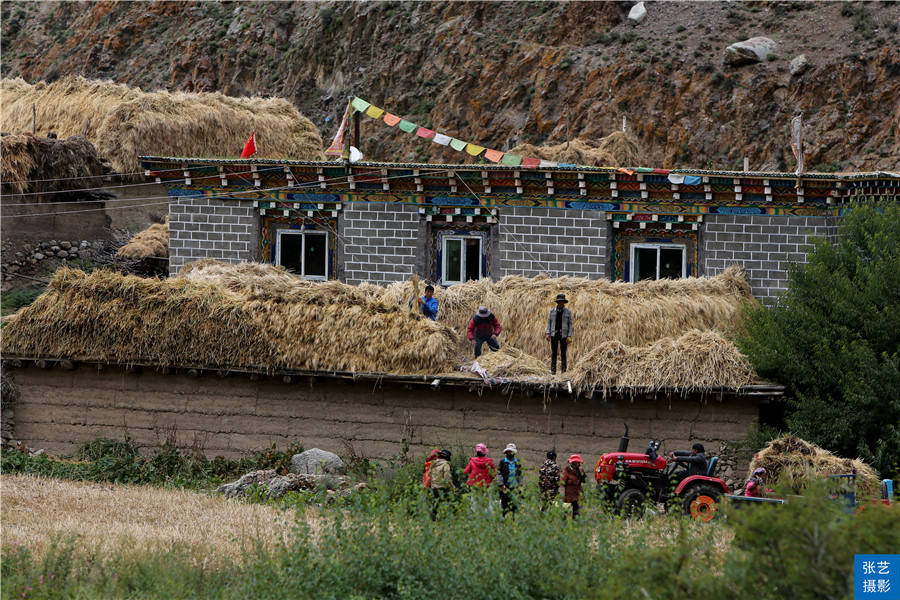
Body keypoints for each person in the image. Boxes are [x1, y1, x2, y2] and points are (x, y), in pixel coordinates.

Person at [545, 293, 573, 374]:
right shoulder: (552, 311)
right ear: (557, 302)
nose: (561, 303)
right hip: (554, 334)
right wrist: (548, 333)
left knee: (563, 353)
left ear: (564, 303)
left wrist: (569, 335)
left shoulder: (568, 312)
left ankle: (563, 371)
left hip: (564, 335)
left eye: (562, 302)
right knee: (554, 353)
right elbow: (549, 323)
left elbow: (570, 324)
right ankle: (553, 371)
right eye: (559, 302)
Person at [429, 448, 455, 520]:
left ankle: (433, 517)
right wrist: (451, 486)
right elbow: (447, 477)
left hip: (434, 486)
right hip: (442, 486)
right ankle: (448, 517)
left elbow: (429, 474)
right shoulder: (445, 465)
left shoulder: (434, 463)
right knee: (448, 500)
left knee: (436, 501)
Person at [497, 443, 522, 516]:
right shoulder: (503, 462)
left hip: (515, 487)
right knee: (504, 505)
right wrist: (501, 485)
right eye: (508, 452)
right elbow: (499, 474)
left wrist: (520, 486)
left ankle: (513, 520)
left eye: (511, 452)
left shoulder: (517, 462)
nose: (509, 453)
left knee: (514, 505)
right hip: (505, 487)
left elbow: (519, 474)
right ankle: (504, 520)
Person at [560, 454, 586, 519]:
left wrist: (582, 473)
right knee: (566, 511)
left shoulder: (579, 470)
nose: (579, 464)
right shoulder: (566, 470)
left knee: (577, 512)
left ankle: (575, 525)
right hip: (568, 494)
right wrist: (562, 494)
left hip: (577, 494)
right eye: (578, 462)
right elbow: (562, 483)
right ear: (574, 463)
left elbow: (585, 481)